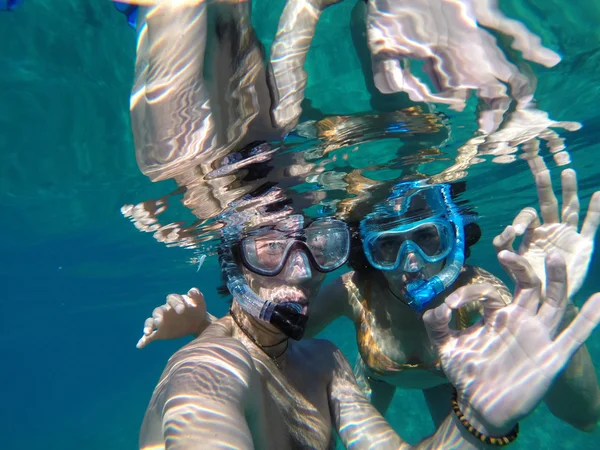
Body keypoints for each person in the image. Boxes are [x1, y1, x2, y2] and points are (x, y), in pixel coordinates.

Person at [139, 158, 600, 431]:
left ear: (458, 238)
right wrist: (205, 328)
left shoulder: (487, 297)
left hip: (450, 385)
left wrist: (552, 307)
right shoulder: (354, 289)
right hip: (377, 380)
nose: (411, 263)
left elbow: (586, 415)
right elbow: (268, 338)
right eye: (387, 246)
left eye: (429, 239)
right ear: (366, 250)